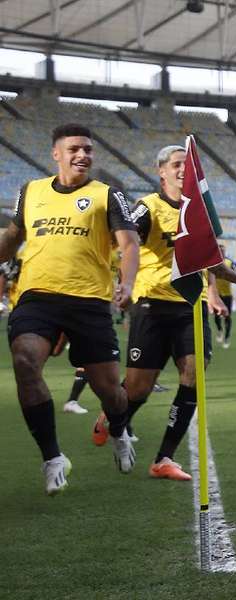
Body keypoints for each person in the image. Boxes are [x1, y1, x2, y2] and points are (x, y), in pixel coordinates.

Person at [0, 122, 140, 495]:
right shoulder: (30, 192)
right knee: (25, 360)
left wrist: (126, 283)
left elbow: (128, 244)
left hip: (89, 300)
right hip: (36, 297)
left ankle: (119, 427)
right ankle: (52, 457)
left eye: (88, 150)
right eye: (75, 149)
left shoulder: (108, 195)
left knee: (109, 390)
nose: (83, 155)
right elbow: (13, 238)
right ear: (56, 153)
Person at [93, 145, 236, 481]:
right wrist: (124, 283)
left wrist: (215, 291)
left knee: (194, 372)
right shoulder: (148, 207)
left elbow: (209, 260)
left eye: (185, 165)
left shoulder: (199, 211)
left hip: (190, 306)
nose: (181, 170)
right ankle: (113, 415)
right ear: (161, 171)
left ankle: (164, 457)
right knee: (138, 388)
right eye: (176, 165)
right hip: (153, 304)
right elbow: (124, 244)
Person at [213, 243, 236, 348]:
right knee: (216, 316)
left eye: (223, 250)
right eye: (219, 250)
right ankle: (220, 330)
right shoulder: (212, 263)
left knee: (227, 317)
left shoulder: (230, 263)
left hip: (227, 295)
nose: (221, 252)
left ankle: (227, 337)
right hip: (217, 294)